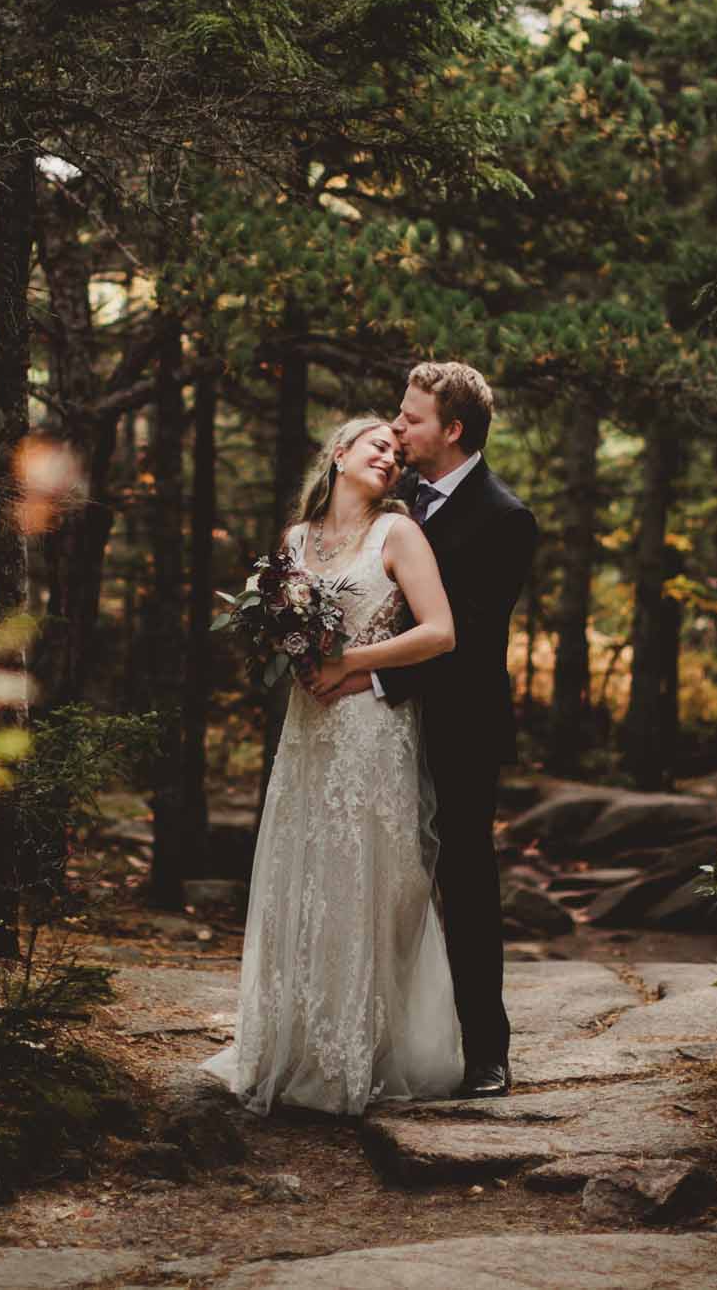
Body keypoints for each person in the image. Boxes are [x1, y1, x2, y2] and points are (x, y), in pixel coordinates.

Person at [201, 415, 465, 1114]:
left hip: (372, 731)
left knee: (364, 879)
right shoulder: (295, 540)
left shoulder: (399, 533)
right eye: (376, 444)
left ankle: (354, 1053)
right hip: (307, 727)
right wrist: (295, 657)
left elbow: (440, 632)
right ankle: (291, 1043)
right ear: (339, 453)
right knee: (303, 872)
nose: (389, 455)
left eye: (396, 451)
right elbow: (288, 633)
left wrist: (351, 663)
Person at [310, 362, 537, 1098]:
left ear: (453, 430)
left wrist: (362, 671)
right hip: (375, 725)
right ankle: (373, 1038)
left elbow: (463, 637)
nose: (398, 428)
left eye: (411, 419)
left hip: (458, 723)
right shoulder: (395, 503)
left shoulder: (505, 517)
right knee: (376, 875)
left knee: (465, 880)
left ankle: (486, 1052)